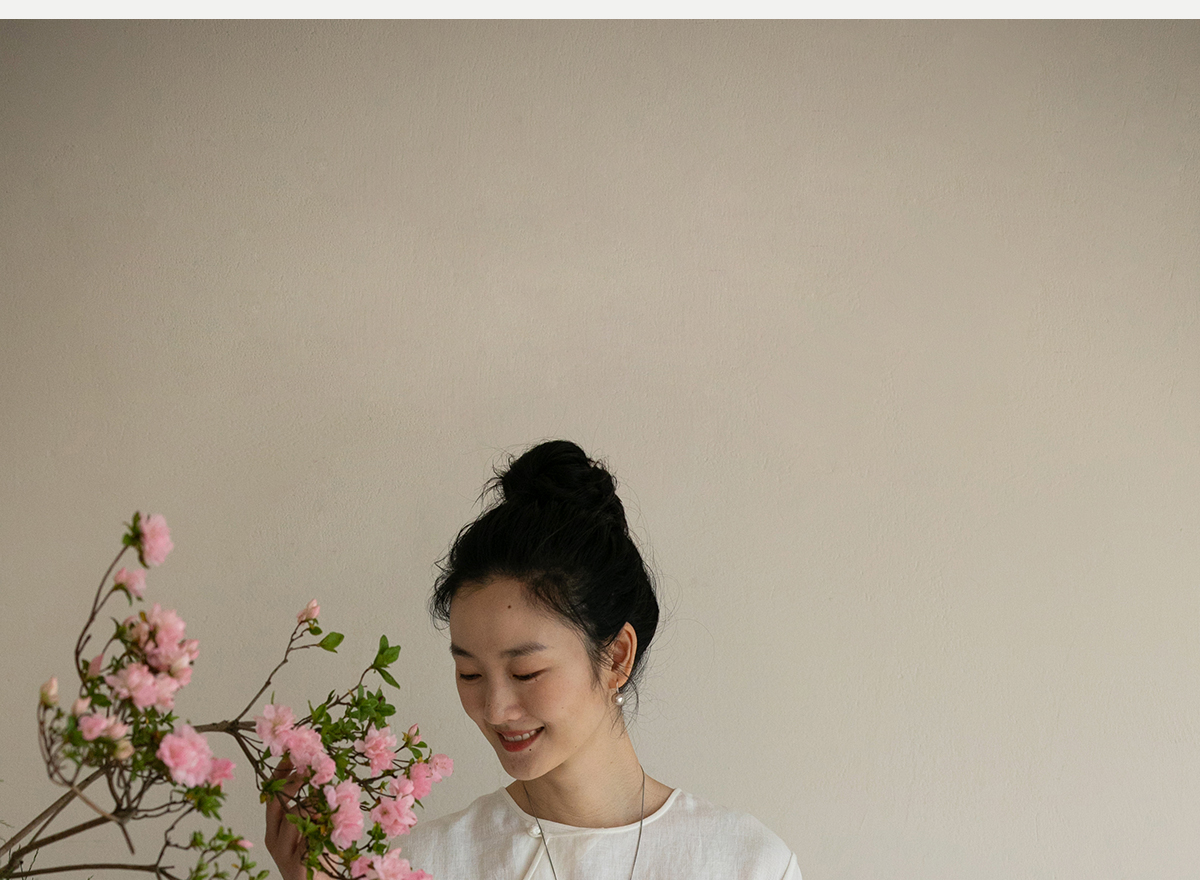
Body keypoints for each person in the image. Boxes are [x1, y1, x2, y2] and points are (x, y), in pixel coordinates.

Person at [267, 440, 801, 880]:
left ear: (616, 656)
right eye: (470, 673)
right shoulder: (419, 865)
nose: (494, 708)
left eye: (526, 672)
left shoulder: (745, 864)